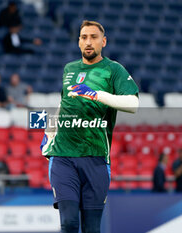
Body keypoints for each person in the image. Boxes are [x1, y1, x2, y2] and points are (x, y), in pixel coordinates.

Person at [40, 20, 139, 233]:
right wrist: (49, 131)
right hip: (63, 156)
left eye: (93, 37)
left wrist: (97, 95)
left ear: (103, 42)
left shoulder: (113, 70)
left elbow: (133, 104)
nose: (88, 42)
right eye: (84, 37)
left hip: (95, 158)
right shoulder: (69, 69)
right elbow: (63, 104)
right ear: (78, 42)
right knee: (68, 223)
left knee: (91, 228)